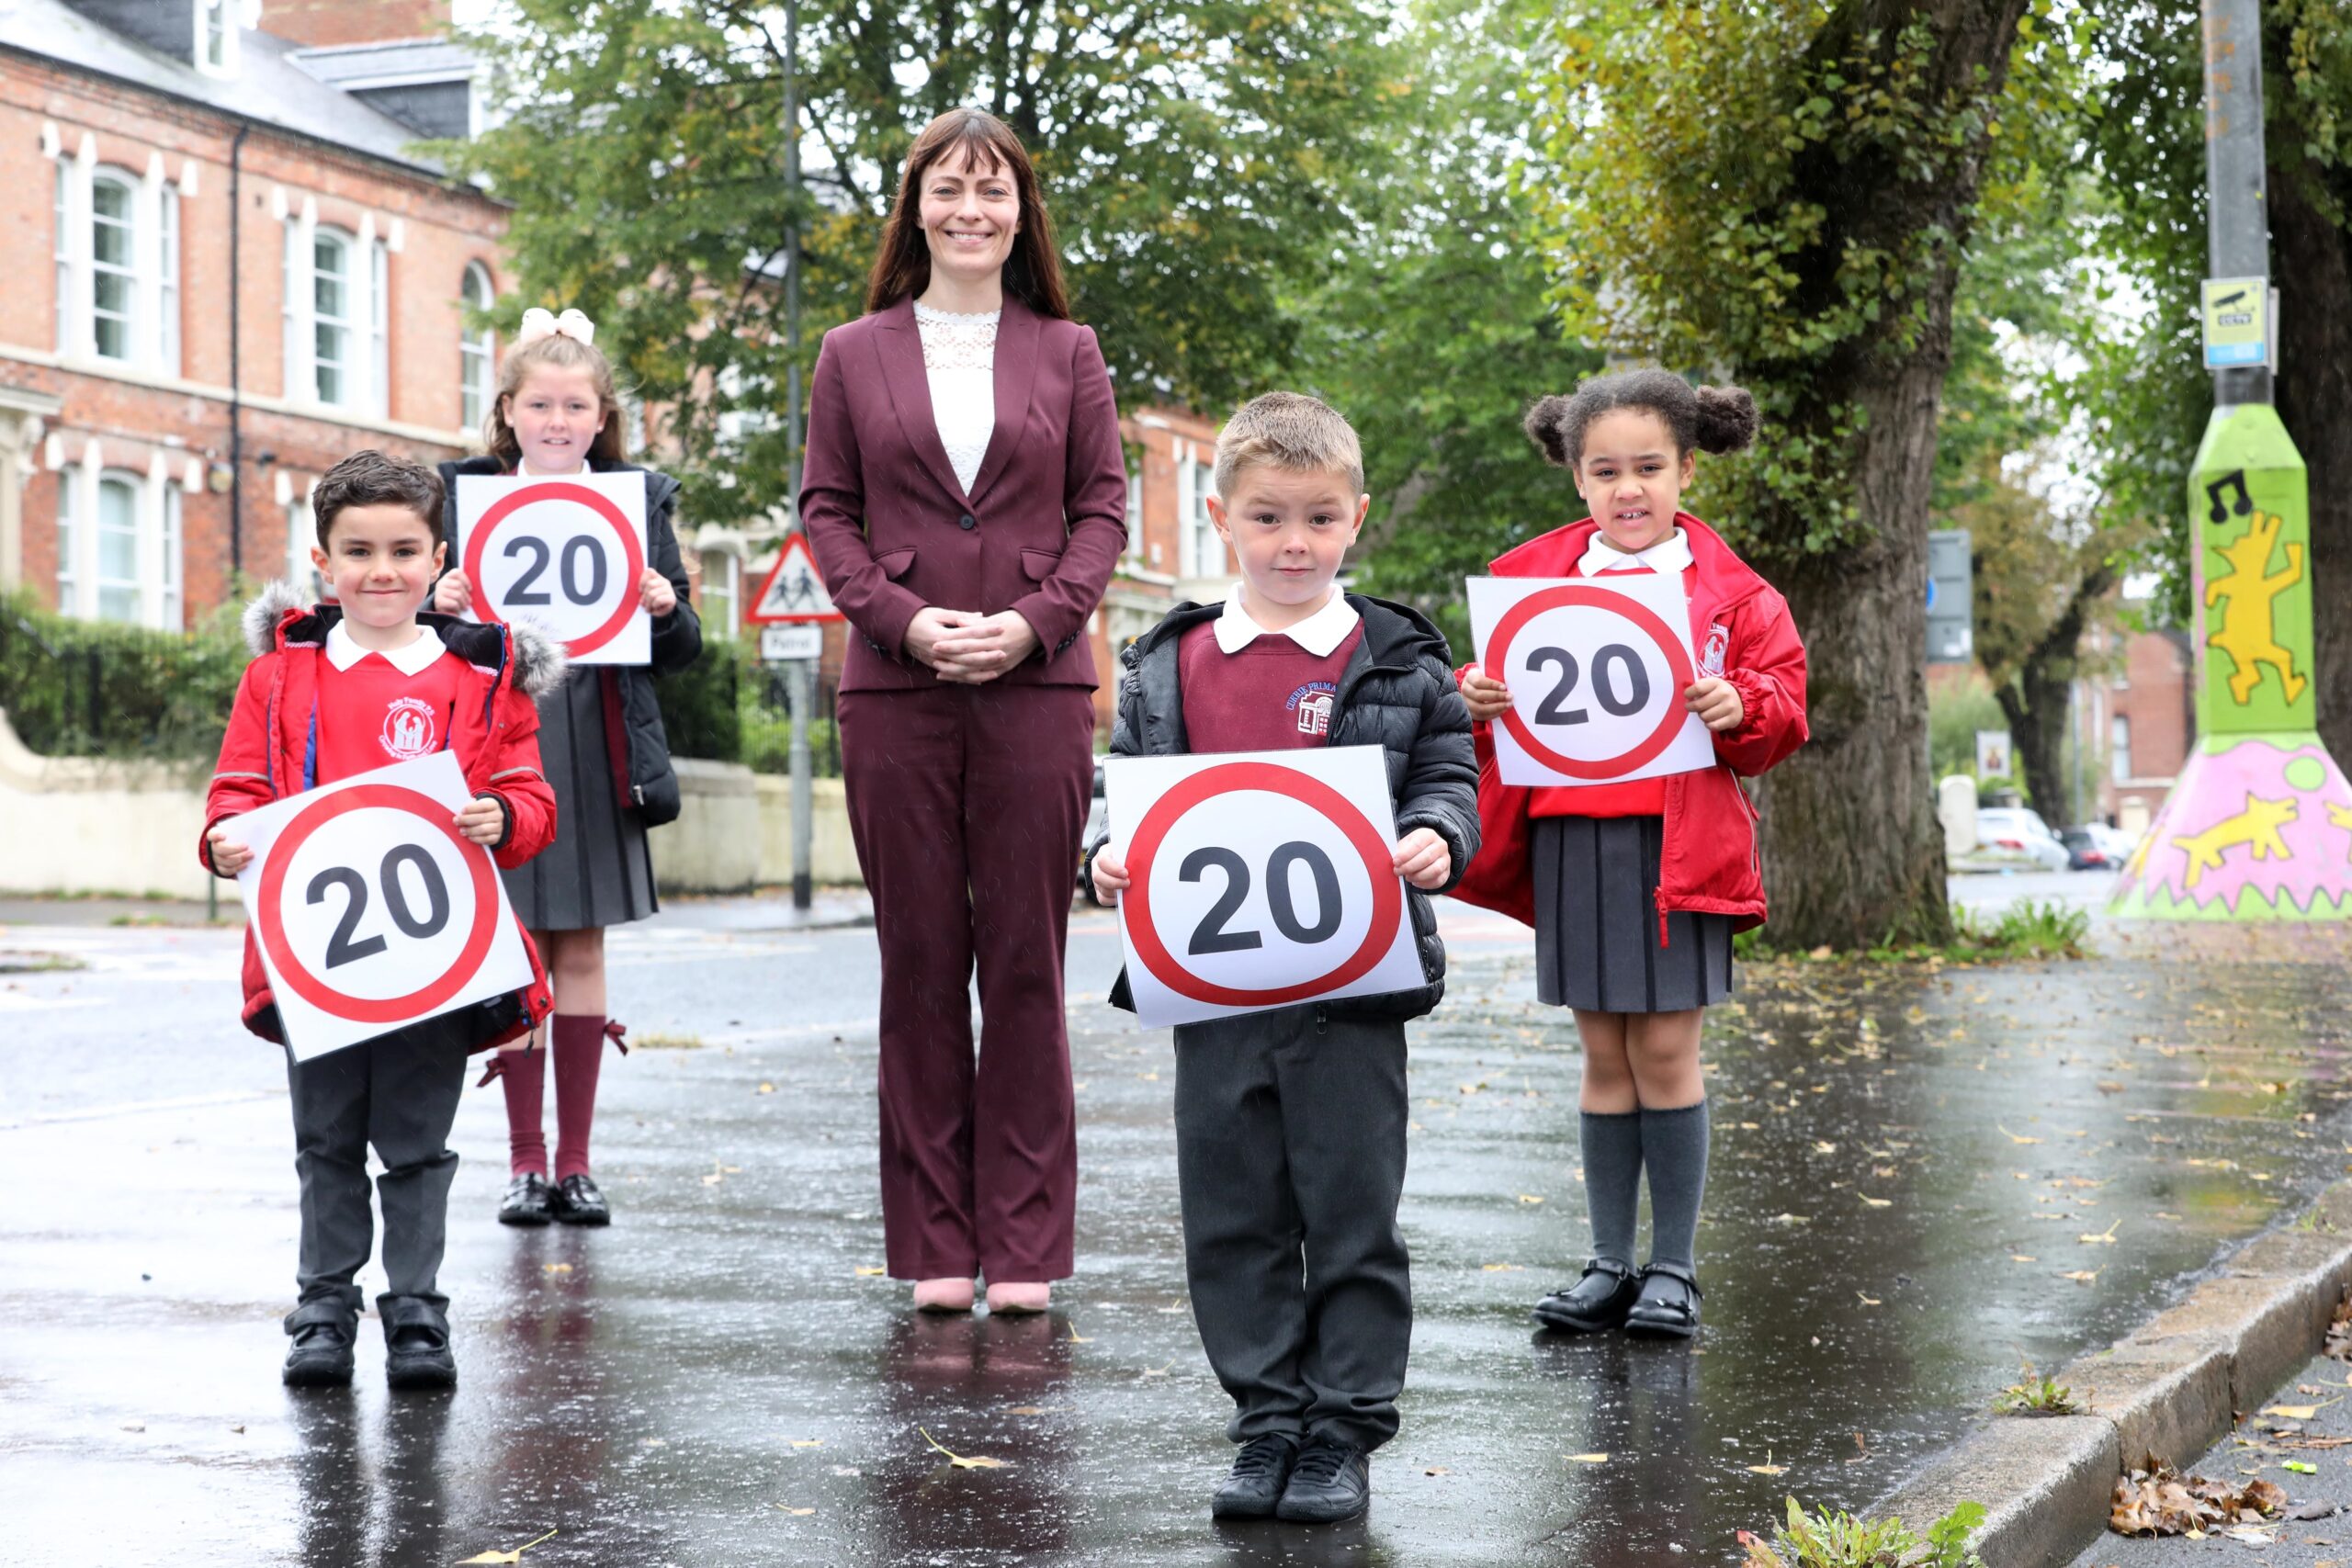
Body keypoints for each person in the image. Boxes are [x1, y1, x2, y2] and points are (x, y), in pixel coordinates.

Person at [1088, 392, 1478, 1524]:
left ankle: (1343, 1431)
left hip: (1353, 994)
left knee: (1352, 1213)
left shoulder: (1398, 654)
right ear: (1222, 519)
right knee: (1233, 1214)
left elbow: (1449, 771)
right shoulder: (1170, 660)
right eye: (1267, 519)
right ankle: (1265, 1420)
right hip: (1213, 995)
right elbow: (1131, 798)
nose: (1293, 543)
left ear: (1356, 517)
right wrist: (1109, 857)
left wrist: (1439, 835)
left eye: (1317, 518)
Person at [800, 107, 1128, 1316]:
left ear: (1022, 209)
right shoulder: (853, 351)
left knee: (1028, 966)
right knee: (922, 963)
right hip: (897, 690)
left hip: (1038, 689)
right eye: (950, 188)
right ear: (917, 205)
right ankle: (937, 1239)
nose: (971, 210)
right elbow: (827, 512)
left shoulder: (1069, 349)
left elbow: (1101, 511)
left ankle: (1028, 1245)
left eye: (994, 191)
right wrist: (902, 617)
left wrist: (1038, 620)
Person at [1451, 370, 1808, 1340]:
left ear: (1688, 469)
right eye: (1604, 470)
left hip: (1676, 841)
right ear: (1575, 479)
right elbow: (1477, 688)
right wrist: (1471, 692)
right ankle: (1609, 1261)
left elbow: (1782, 709)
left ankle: (1674, 1269)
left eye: (1649, 467)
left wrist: (1745, 709)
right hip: (1571, 835)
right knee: (1602, 1053)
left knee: (1663, 1047)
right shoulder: (1528, 576)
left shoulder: (1735, 593)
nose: (1628, 489)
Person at [202, 449, 564, 1389]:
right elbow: (238, 788)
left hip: (435, 964)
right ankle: (323, 1305)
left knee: (414, 1141)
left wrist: (506, 815)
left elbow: (529, 796)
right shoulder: (279, 678)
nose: (381, 571)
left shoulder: (482, 681)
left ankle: (416, 1310)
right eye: (357, 551)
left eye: (404, 550)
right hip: (317, 964)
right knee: (324, 1139)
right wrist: (223, 838)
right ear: (323, 563)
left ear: (438, 555)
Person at [431, 307, 703, 1230]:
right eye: (539, 404)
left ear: (600, 417)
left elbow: (681, 651)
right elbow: (423, 641)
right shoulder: (457, 500)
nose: (556, 420)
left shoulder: (640, 501)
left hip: (598, 739)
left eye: (574, 406)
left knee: (581, 947)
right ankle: (523, 1163)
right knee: (513, 951)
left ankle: (577, 1165)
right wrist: (441, 602)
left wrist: (665, 606)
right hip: (498, 746)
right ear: (507, 412)